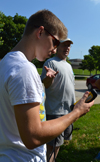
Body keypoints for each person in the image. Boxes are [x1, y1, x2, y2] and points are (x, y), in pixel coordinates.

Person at [0, 9, 94, 162]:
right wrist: (76, 113)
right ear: (40, 32)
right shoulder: (24, 69)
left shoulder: (6, 63)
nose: (55, 49)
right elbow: (33, 137)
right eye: (55, 42)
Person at [41, 38, 76, 161]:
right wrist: (49, 78)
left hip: (68, 111)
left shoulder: (69, 66)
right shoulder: (51, 63)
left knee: (58, 145)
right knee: (51, 147)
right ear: (56, 47)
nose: (67, 48)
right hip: (55, 112)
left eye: (69, 46)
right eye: (64, 45)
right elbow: (45, 84)